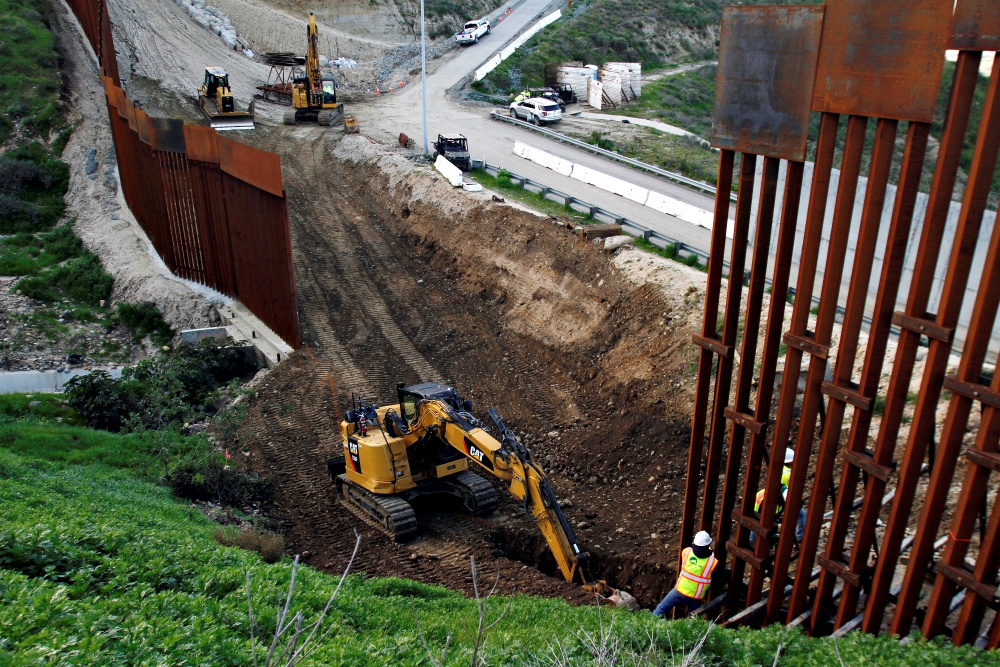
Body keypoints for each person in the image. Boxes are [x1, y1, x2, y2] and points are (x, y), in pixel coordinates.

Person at [653, 531, 718, 618]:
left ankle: (649, 626)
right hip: (695, 597)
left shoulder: (686, 552)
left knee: (661, 609)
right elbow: (719, 576)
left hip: (679, 591)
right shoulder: (712, 562)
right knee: (694, 620)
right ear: (708, 544)